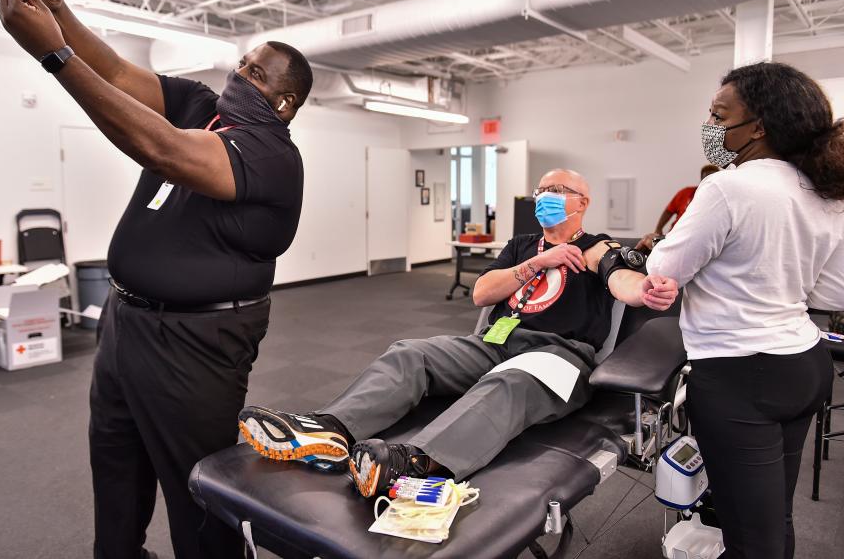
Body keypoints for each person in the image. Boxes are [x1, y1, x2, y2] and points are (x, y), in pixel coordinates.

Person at [0, 0, 312, 559]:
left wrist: (52, 54)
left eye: (255, 76)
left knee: (197, 494)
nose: (237, 78)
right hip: (125, 324)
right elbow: (115, 73)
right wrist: (60, 13)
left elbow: (163, 150)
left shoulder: (275, 158)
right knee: (114, 465)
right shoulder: (203, 107)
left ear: (284, 105)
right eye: (241, 64)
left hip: (195, 343)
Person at [238, 169, 678, 497]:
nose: (546, 196)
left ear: (581, 202)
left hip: (558, 357)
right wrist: (535, 265)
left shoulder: (597, 244)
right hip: (495, 343)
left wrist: (646, 290)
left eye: (558, 190)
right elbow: (483, 294)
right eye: (542, 189)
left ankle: (418, 463)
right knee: (411, 353)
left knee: (509, 385)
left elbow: (622, 281)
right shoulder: (522, 245)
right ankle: (332, 429)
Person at [647, 62, 844, 559]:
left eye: (718, 115)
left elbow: (665, 268)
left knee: (749, 534)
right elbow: (834, 293)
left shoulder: (727, 187)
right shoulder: (822, 190)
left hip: (740, 376)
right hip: (806, 363)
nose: (710, 127)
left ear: (758, 126)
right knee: (775, 514)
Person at [636, 164, 719, 250]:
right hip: (674, 235)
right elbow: (668, 211)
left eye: (711, 178)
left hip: (696, 239)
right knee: (647, 240)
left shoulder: (719, 199)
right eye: (705, 178)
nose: (708, 182)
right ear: (701, 178)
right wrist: (658, 229)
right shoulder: (686, 192)